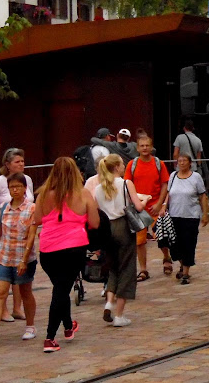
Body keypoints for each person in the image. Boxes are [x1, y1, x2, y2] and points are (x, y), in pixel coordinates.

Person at [27, 157, 99, 353]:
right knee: (60, 290)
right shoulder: (83, 194)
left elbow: (38, 219)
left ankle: (68, 326)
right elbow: (95, 222)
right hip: (73, 249)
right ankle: (50, 337)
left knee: (61, 287)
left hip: (48, 250)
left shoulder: (42, 195)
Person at [0, 172, 37, 347]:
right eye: (12, 187)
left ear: (25, 188)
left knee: (25, 292)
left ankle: (30, 326)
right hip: (4, 255)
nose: (15, 190)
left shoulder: (31, 208)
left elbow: (31, 236)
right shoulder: (4, 207)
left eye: (18, 187)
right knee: (0, 293)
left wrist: (24, 259)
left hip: (22, 257)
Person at [0, 148, 34, 322]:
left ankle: (17, 308)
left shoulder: (28, 180)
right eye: (17, 161)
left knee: (20, 274)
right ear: (8, 165)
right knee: (2, 276)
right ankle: (2, 310)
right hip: (5, 234)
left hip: (22, 236)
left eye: (22, 161)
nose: (21, 164)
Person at [95, 154, 145, 327]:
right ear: (116, 167)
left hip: (106, 229)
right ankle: (119, 314)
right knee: (127, 268)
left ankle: (109, 302)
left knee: (113, 267)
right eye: (122, 165)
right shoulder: (125, 183)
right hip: (122, 226)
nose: (124, 167)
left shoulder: (98, 188)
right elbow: (138, 206)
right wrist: (145, 201)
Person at [157, 152, 209, 285]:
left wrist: (205, 214)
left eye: (184, 161)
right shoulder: (173, 176)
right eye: (179, 161)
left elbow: (202, 196)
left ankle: (186, 272)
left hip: (191, 216)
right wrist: (164, 206)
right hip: (174, 215)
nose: (181, 163)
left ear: (189, 162)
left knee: (188, 244)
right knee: (174, 244)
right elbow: (169, 193)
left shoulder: (196, 177)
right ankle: (181, 264)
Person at [123, 135, 169, 280]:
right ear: (137, 148)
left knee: (161, 236)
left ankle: (166, 257)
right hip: (138, 208)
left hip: (155, 206)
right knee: (139, 241)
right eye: (142, 146)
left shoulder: (159, 163)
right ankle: (143, 269)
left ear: (151, 147)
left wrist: (160, 204)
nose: (144, 148)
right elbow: (126, 185)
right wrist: (135, 203)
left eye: (147, 145)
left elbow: (165, 185)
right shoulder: (132, 164)